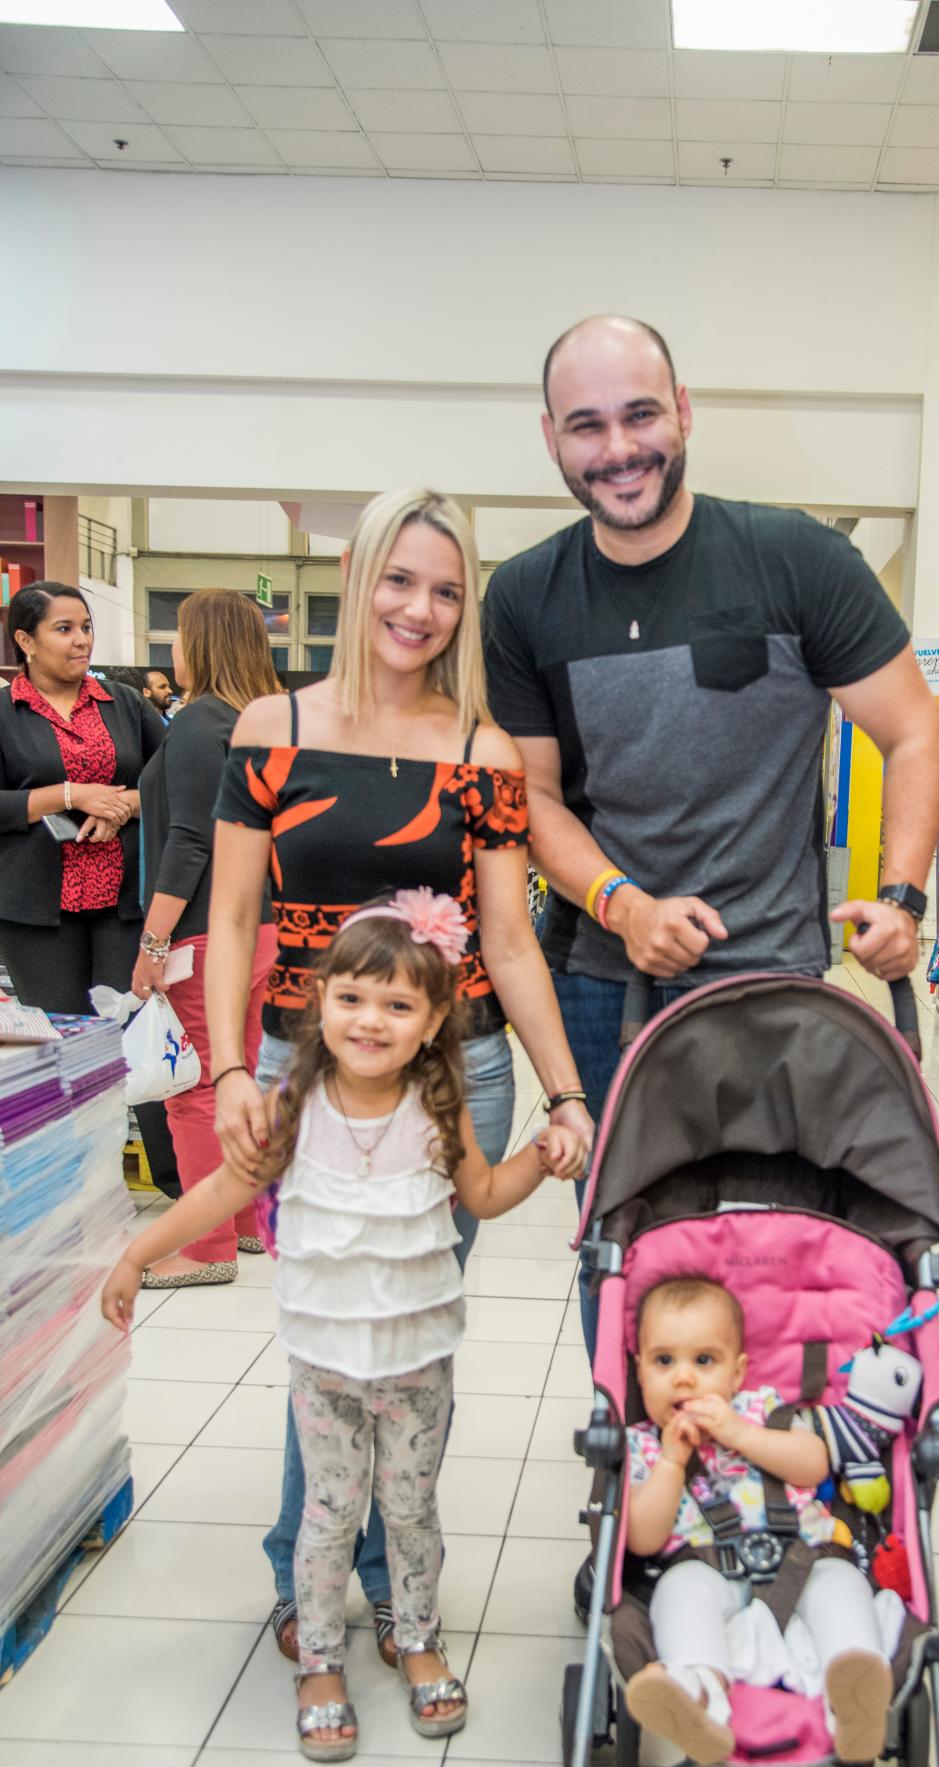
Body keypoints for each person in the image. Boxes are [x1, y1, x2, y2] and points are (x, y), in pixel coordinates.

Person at [483, 315, 939, 1358]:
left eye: (641, 414)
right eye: (587, 425)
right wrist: (624, 903)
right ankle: (637, 1469)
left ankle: (763, 1471)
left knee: (773, 1248)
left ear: (684, 412)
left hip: (775, 982)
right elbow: (535, 797)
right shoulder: (522, 597)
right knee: (626, 1244)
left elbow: (913, 727)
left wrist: (903, 896)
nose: (618, 449)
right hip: (605, 985)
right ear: (552, 438)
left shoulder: (797, 559)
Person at [206, 488, 595, 1667]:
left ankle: (386, 1578)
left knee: (408, 1331)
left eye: (445, 590)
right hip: (298, 1065)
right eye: (400, 579)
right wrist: (228, 1066)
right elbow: (232, 919)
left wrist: (566, 1091)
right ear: (358, 577)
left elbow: (510, 937)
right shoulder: (266, 728)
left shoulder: (480, 749)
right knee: (330, 1320)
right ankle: (309, 1567)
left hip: (452, 1072)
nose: (419, 609)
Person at [103, 892, 584, 1761]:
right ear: (318, 1002)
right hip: (324, 1364)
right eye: (352, 999)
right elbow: (225, 1191)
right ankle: (320, 1659)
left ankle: (420, 1637)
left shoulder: (439, 1110)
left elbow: (481, 1196)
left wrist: (540, 1163)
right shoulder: (292, 1108)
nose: (371, 1020)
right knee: (327, 1513)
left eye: (398, 1005)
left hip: (418, 1366)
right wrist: (141, 1253)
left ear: (435, 1019)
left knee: (411, 1509)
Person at [623, 1276, 893, 1767]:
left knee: (842, 1585)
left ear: (737, 1372)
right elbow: (642, 1539)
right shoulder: (642, 1444)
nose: (683, 1378)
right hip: (703, 1567)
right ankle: (699, 1695)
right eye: (664, 1361)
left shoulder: (762, 1410)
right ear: (638, 1370)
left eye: (704, 1361)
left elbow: (814, 1463)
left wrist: (740, 1434)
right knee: (679, 1594)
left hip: (803, 1557)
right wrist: (670, 1464)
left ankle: (853, 1693)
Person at [134, 591, 283, 1287]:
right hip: (266, 928)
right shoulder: (263, 722)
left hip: (203, 928)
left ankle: (204, 1247)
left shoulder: (196, 723)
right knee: (245, 1075)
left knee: (191, 1085)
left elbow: (190, 840)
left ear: (199, 642)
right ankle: (247, 1222)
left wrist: (154, 940)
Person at [0, 582, 165, 1010]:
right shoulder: (5, 714)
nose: (82, 639)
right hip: (37, 909)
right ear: (25, 640)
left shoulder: (124, 703)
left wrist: (124, 805)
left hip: (124, 902)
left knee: (126, 1035)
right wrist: (69, 795)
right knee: (61, 1040)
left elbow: (173, 778)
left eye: (87, 627)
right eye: (64, 628)